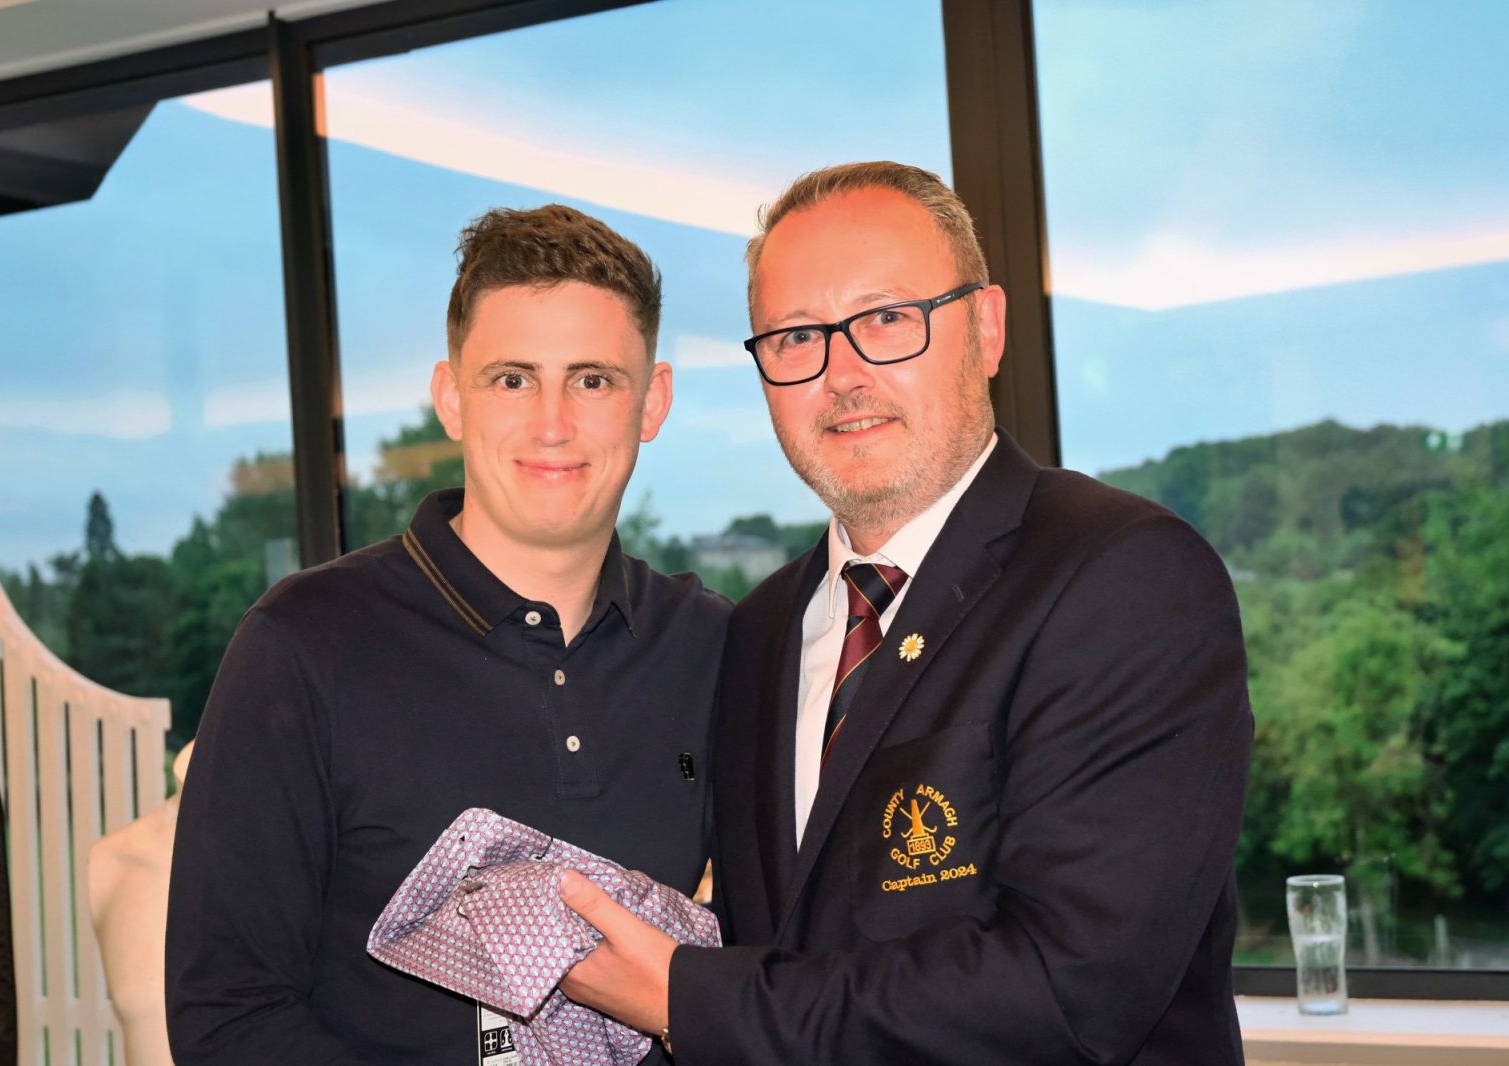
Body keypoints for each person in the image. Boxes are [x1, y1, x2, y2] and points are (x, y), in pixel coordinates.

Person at [556, 161, 1254, 1064]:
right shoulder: (759, 632)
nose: (842, 375)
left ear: (986, 329)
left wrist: (686, 996)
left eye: (887, 318)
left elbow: (1071, 991)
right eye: (797, 336)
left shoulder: (1125, 579)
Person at [166, 204, 729, 1065]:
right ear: (450, 398)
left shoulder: (716, 649)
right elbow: (227, 1017)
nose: (552, 423)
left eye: (592, 380)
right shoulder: (301, 646)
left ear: (651, 403)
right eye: (512, 380)